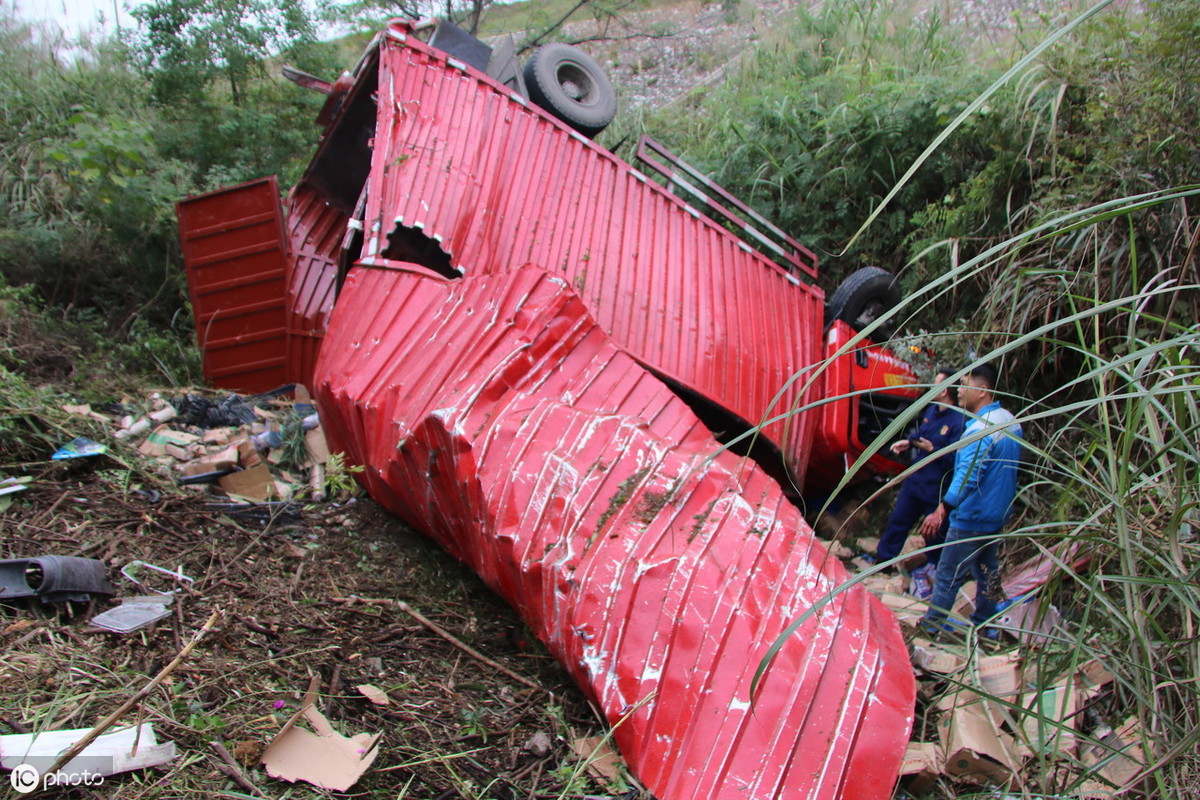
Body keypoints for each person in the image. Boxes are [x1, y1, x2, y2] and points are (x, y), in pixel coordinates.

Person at [918, 363, 1023, 634]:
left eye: (965, 384)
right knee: (987, 572)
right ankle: (985, 624)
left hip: (971, 516)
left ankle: (930, 628)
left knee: (947, 575)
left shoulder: (979, 430)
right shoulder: (1009, 420)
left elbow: (967, 478)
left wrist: (942, 509)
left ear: (983, 390)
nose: (959, 391)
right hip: (997, 515)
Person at [870, 368, 964, 571]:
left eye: (936, 383)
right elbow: (921, 435)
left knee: (934, 534)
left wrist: (933, 449)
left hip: (936, 488)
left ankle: (934, 572)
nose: (932, 387)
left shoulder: (958, 421)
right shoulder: (931, 411)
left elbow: (957, 460)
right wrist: (909, 443)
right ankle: (882, 564)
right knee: (898, 521)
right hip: (916, 482)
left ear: (946, 389)